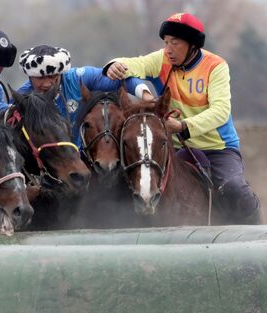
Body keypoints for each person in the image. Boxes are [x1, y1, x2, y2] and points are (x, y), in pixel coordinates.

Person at [103, 12, 261, 224]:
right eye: (166, 42)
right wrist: (114, 65)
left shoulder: (216, 67)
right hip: (175, 148)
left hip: (218, 149)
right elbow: (132, 64)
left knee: (235, 189)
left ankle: (257, 239)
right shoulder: (161, 60)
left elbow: (221, 110)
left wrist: (183, 126)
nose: (168, 49)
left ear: (192, 45)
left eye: (174, 43)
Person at [17, 44, 152, 144]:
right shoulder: (22, 96)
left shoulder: (78, 77)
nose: (47, 84)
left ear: (61, 72)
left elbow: (123, 80)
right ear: (30, 76)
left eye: (52, 77)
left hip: (85, 154)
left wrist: (147, 96)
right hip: (49, 162)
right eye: (40, 78)